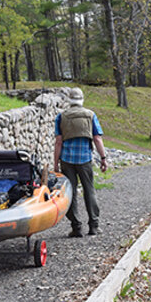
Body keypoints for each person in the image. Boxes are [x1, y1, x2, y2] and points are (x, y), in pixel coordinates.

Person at [53, 87, 108, 237]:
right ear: (82, 100)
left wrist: (55, 163)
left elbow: (58, 142)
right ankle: (94, 226)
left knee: (70, 193)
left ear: (69, 101)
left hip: (67, 160)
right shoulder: (90, 115)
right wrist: (103, 158)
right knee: (89, 190)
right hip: (85, 160)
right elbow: (97, 138)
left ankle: (76, 227)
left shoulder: (61, 117)